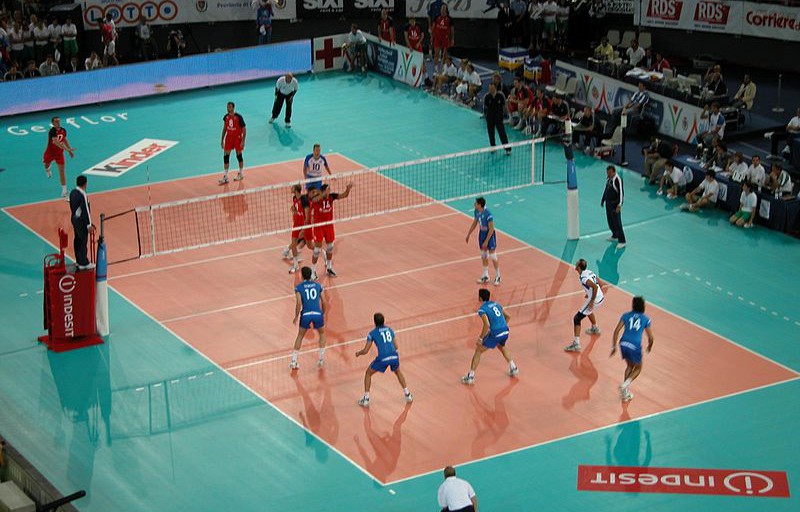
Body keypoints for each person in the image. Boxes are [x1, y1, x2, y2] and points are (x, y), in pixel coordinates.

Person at [355, 312, 413, 407]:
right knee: (398, 372)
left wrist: (358, 353)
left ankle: (366, 399)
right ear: (383, 321)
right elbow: (396, 346)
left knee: (368, 373)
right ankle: (408, 395)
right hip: (394, 356)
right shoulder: (390, 330)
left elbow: (365, 351)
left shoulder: (372, 333)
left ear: (374, 322)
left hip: (383, 358)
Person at [461, 288, 517, 385]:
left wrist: (480, 338)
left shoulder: (482, 309)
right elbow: (508, 316)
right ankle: (513, 368)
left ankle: (470, 377)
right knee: (502, 347)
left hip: (496, 333)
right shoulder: (496, 304)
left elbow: (486, 324)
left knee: (478, 350)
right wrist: (502, 327)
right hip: (505, 331)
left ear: (480, 298)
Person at [610, 296, 654, 403]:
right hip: (634, 345)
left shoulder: (625, 315)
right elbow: (651, 337)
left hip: (623, 343)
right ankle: (625, 385)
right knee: (638, 368)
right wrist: (649, 346)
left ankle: (625, 394)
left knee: (629, 366)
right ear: (643, 306)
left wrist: (614, 346)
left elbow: (616, 331)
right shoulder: (646, 319)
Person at [309, 183, 352, 278]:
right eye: (328, 189)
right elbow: (314, 200)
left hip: (329, 225)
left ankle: (329, 267)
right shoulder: (316, 198)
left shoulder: (332, 196)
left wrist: (348, 189)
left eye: (329, 189)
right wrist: (323, 194)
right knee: (317, 250)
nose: (329, 191)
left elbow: (344, 195)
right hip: (319, 226)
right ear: (323, 191)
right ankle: (313, 270)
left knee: (330, 247)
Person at [290, 266, 327, 370]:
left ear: (302, 276)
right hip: (317, 313)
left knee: (300, 336)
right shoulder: (318, 285)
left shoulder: (299, 287)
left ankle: (294, 361)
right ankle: (321, 359)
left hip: (306, 314)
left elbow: (299, 303)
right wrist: (323, 312)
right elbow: (324, 301)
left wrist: (296, 316)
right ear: (311, 275)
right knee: (322, 334)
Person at [564, 259, 604, 352]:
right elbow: (601, 284)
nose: (575, 263)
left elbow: (595, 286)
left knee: (577, 318)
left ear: (578, 267)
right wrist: (589, 293)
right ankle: (595, 328)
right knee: (588, 311)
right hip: (600, 297)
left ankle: (576, 344)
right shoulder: (589, 272)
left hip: (595, 300)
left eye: (577, 263)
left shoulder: (584, 278)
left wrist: (591, 300)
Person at [465, 197, 501, 285]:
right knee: (484, 255)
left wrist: (486, 241)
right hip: (482, 234)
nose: (474, 204)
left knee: (493, 256)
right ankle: (485, 276)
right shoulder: (476, 211)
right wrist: (469, 234)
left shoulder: (488, 214)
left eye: (476, 203)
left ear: (480, 205)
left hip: (490, 235)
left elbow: (491, 229)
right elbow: (475, 222)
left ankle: (498, 276)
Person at [43, 116, 75, 199]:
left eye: (59, 121)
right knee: (46, 164)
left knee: (62, 171)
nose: (58, 123)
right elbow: (56, 142)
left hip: (59, 153)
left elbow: (64, 139)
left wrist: (70, 151)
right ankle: (47, 169)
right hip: (50, 152)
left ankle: (64, 192)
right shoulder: (52, 131)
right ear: (53, 123)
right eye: (56, 121)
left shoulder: (63, 130)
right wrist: (67, 149)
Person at [283, 185, 313, 273]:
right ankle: (295, 266)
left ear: (296, 190)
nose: (291, 189)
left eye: (292, 188)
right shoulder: (294, 198)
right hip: (296, 224)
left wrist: (303, 229)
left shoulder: (304, 200)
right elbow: (296, 209)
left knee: (310, 245)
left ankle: (323, 253)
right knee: (293, 244)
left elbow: (307, 217)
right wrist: (294, 211)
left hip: (304, 224)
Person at [69, 175, 96, 270]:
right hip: (81, 221)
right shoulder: (82, 194)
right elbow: (85, 210)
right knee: (83, 241)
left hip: (74, 219)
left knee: (77, 240)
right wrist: (89, 225)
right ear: (85, 184)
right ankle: (84, 263)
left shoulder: (72, 192)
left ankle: (79, 261)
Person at [218, 102, 246, 185]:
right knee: (226, 156)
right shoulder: (226, 117)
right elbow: (224, 128)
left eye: (229, 107)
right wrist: (222, 140)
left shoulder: (239, 117)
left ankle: (240, 173)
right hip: (228, 138)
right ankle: (225, 176)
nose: (228, 108)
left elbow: (244, 129)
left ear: (233, 108)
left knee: (239, 156)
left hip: (237, 138)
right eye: (227, 107)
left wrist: (243, 141)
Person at [482, 83, 510, 155]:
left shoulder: (500, 96)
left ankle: (507, 149)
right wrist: (486, 115)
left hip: (498, 118)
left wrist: (506, 115)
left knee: (502, 133)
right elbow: (485, 107)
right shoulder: (487, 96)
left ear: (495, 88)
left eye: (492, 88)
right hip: (490, 118)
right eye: (489, 88)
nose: (490, 90)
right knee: (491, 133)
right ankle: (493, 147)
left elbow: (504, 105)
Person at [602, 165, 626, 247]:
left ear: (613, 172)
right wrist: (603, 199)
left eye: (609, 173)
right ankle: (615, 235)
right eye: (607, 173)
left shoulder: (617, 180)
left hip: (615, 205)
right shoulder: (609, 179)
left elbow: (621, 193)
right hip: (608, 203)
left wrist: (619, 205)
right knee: (610, 221)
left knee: (617, 222)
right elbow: (606, 190)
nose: (608, 174)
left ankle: (622, 241)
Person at [432, 5, 454, 74]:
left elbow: (452, 30)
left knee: (444, 55)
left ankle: (443, 69)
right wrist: (432, 37)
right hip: (437, 37)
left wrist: (452, 39)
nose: (442, 10)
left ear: (446, 10)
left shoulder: (449, 19)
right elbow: (433, 27)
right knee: (436, 53)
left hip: (445, 38)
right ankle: (436, 69)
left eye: (444, 9)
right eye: (441, 9)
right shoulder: (436, 17)